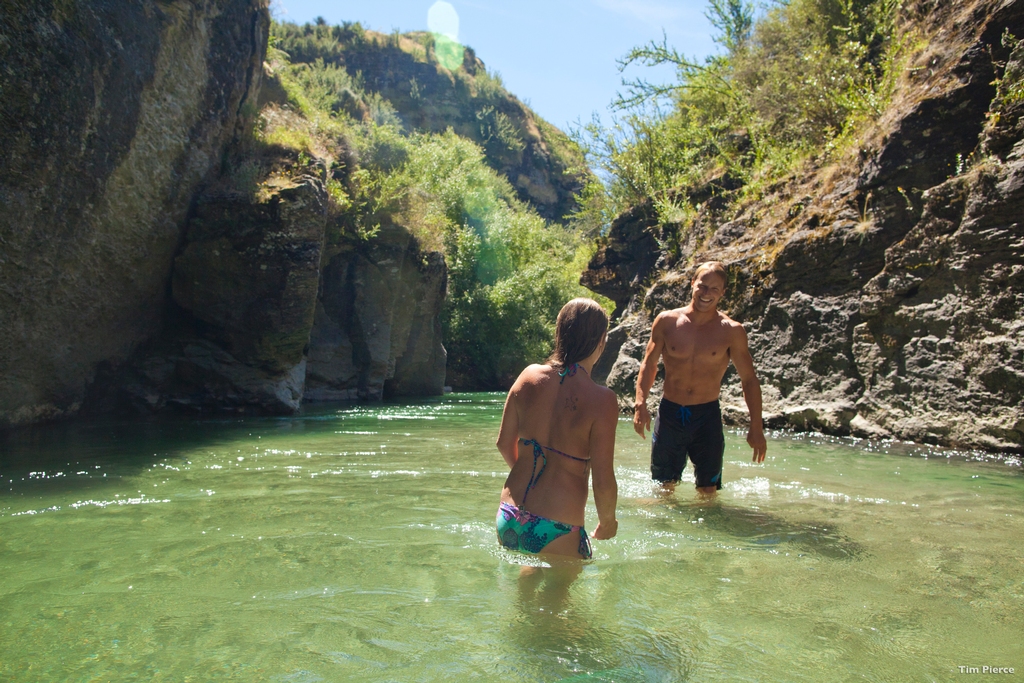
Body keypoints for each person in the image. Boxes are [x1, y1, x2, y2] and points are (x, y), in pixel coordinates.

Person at [496, 298, 619, 559]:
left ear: (559, 333)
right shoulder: (602, 400)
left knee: (526, 581)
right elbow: (603, 479)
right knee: (562, 587)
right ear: (601, 340)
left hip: (510, 514)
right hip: (558, 526)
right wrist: (608, 522)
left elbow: (504, 444)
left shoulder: (528, 376)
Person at [633, 261, 766, 496]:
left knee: (708, 490)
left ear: (723, 292)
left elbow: (749, 380)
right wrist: (640, 404)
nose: (706, 293)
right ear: (692, 283)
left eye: (714, 289)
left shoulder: (732, 331)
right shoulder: (667, 321)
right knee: (663, 488)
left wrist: (756, 426)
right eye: (702, 286)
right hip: (671, 414)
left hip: (707, 418)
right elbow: (649, 364)